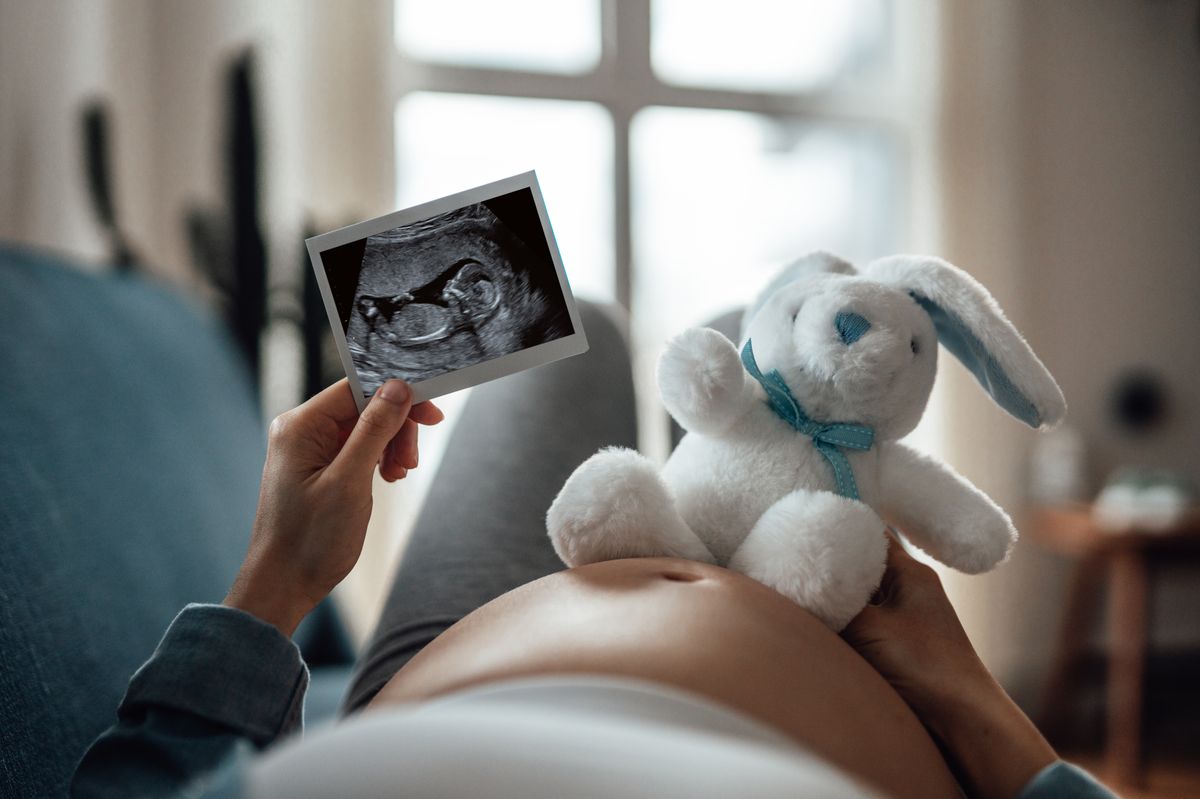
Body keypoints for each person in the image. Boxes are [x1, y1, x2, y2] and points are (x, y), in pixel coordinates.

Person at [71, 304, 1116, 798]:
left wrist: (275, 582)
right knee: (733, 347)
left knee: (592, 333)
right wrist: (978, 707)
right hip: (830, 653)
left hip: (451, 677)